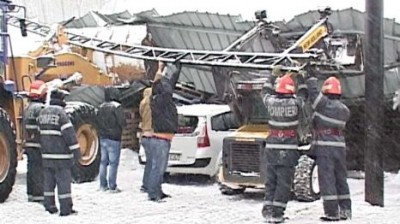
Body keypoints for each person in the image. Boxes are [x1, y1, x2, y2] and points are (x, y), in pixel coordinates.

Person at [260, 71, 307, 223]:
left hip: (272, 148)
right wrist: (300, 77)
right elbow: (304, 94)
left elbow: (264, 92)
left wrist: (272, 75)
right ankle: (277, 214)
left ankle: (267, 209)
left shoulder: (271, 103)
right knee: (284, 183)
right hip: (288, 149)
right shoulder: (296, 104)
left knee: (271, 180)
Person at [304, 74, 352, 221]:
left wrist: (308, 76)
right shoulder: (344, 109)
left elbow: (313, 93)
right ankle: (346, 209)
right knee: (340, 179)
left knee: (327, 180)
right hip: (339, 147)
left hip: (325, 148)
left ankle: (332, 212)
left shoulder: (324, 105)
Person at [37, 90, 80, 216]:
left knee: (48, 183)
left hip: (46, 156)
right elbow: (69, 135)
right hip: (62, 157)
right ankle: (65, 209)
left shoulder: (42, 113)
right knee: (63, 184)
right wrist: (77, 153)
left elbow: (39, 133)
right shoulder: (61, 114)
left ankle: (49, 206)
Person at [147, 61, 181, 202]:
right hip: (160, 138)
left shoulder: (161, 98)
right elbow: (168, 89)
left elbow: (169, 85)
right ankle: (153, 193)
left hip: (163, 138)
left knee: (160, 168)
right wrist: (163, 71)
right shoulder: (158, 100)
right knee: (158, 168)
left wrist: (177, 69)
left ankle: (157, 191)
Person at [97, 86, 126, 193]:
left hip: (103, 137)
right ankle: (112, 185)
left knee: (103, 162)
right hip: (114, 138)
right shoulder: (117, 107)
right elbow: (122, 122)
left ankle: (102, 185)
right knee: (113, 163)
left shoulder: (101, 107)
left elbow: (97, 121)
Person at [23, 80, 47, 203]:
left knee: (31, 168)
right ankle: (38, 195)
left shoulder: (27, 108)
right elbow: (42, 126)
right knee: (39, 169)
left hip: (28, 143)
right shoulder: (41, 108)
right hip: (38, 143)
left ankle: (31, 193)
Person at [139, 87, 154, 193]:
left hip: (144, 134)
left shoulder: (142, 104)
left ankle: (146, 184)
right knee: (152, 162)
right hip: (151, 134)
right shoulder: (153, 104)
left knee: (149, 161)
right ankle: (148, 184)